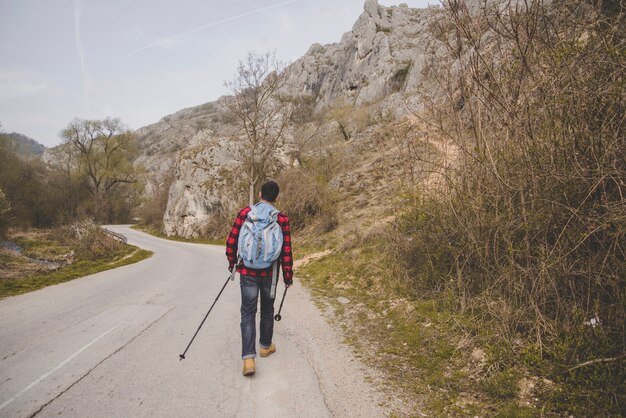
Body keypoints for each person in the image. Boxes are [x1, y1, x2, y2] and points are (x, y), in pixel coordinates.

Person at [226, 180, 293, 376]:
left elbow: (231, 241)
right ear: (276, 198)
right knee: (267, 308)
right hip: (270, 273)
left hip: (247, 271)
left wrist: (233, 263)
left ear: (259, 195)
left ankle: (248, 360)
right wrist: (288, 276)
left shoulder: (246, 213)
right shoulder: (281, 219)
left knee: (247, 312)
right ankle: (265, 346)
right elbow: (286, 252)